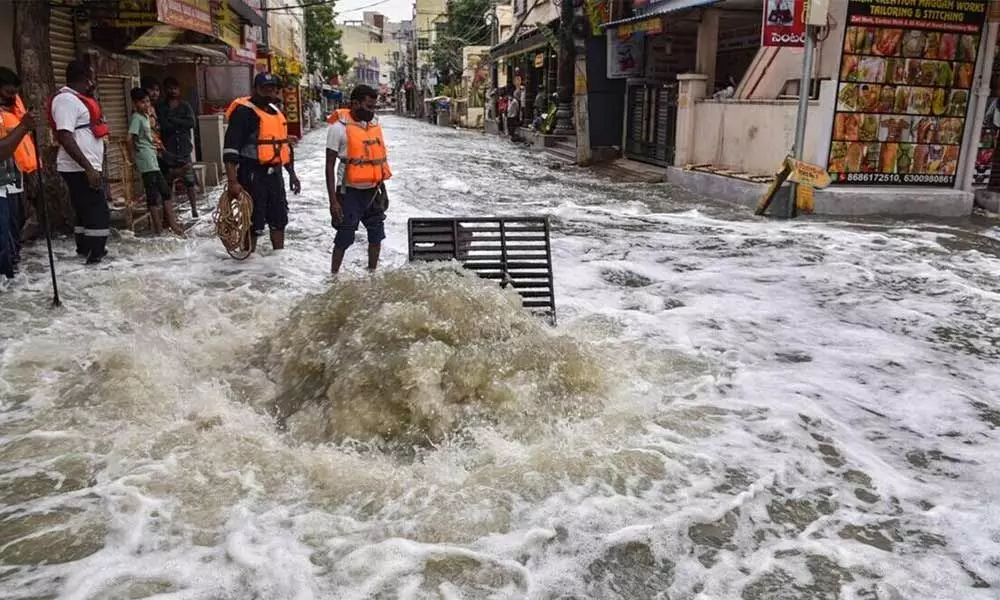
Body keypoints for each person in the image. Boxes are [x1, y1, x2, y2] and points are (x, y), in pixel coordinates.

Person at [222, 73, 301, 253]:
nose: (270, 92)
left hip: (275, 174)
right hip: (252, 174)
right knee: (252, 222)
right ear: (255, 89)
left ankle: (277, 262)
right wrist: (233, 182)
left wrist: (292, 174)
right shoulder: (244, 112)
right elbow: (230, 149)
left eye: (273, 89)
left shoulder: (276, 111)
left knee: (279, 220)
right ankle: (248, 264)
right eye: (266, 88)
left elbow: (283, 148)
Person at [48, 59, 110, 264]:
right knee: (97, 210)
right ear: (85, 79)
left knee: (86, 210)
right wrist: (88, 168)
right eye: (91, 78)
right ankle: (96, 256)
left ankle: (87, 251)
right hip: (80, 168)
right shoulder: (66, 100)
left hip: (86, 166)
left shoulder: (77, 99)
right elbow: (64, 136)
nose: (93, 83)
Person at [325, 84, 391, 274]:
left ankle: (372, 273)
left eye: (374, 107)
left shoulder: (373, 126)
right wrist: (333, 202)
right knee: (344, 237)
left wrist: (382, 189)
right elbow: (329, 166)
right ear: (355, 103)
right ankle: (334, 276)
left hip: (373, 190)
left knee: (377, 234)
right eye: (368, 107)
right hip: (349, 192)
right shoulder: (338, 129)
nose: (372, 111)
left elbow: (376, 160)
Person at [129, 87, 182, 236]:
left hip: (152, 157)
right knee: (154, 193)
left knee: (164, 191)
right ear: (135, 103)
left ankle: (170, 225)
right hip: (145, 160)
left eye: (147, 101)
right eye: (142, 102)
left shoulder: (146, 117)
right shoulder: (136, 118)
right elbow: (129, 139)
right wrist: (132, 158)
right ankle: (160, 228)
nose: (146, 105)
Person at [0, 67, 37, 279]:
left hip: (12, 183)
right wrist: (24, 127)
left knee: (12, 236)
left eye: (15, 94)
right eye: (7, 94)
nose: (12, 99)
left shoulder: (10, 114)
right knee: (3, 241)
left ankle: (12, 283)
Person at [157, 77, 199, 218]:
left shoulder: (185, 106)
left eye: (175, 88)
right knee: (167, 182)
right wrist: (178, 123)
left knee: (190, 182)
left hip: (184, 149)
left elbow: (191, 123)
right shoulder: (161, 107)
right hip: (168, 151)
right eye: (170, 88)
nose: (173, 91)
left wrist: (174, 120)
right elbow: (163, 125)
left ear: (179, 90)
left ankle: (194, 210)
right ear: (165, 90)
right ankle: (169, 213)